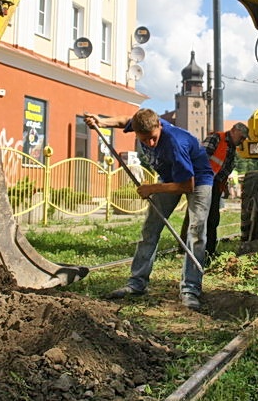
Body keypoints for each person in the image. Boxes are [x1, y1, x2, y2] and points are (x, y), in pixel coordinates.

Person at [84, 108, 214, 310]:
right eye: (144, 140)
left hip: (198, 180)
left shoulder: (175, 143)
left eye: (153, 138)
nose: (150, 144)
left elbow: (187, 185)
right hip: (170, 178)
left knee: (196, 232)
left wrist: (152, 188)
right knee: (150, 228)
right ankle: (137, 283)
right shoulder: (143, 124)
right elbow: (126, 118)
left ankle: (190, 289)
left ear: (159, 126)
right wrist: (101, 122)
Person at [201, 122, 249, 259]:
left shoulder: (232, 147)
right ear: (233, 131)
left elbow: (224, 168)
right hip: (205, 182)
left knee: (213, 219)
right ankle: (196, 250)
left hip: (215, 184)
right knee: (201, 218)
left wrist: (224, 187)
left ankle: (209, 251)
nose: (241, 142)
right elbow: (201, 158)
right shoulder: (216, 138)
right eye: (241, 138)